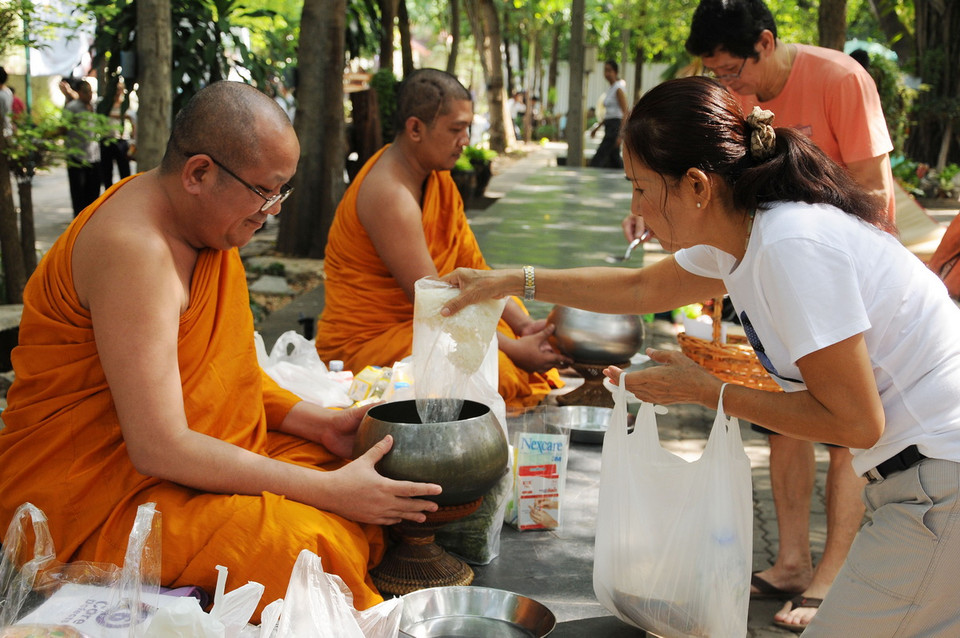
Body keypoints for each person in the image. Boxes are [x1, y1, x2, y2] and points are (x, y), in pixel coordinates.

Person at [441, 76, 960, 637]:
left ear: (695, 185)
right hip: (920, 479)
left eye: (641, 188)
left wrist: (708, 392)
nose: (635, 207)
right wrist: (513, 280)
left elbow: (856, 422)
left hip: (938, 480)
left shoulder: (790, 245)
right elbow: (639, 291)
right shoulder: (746, 235)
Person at [0, 81, 442, 621]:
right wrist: (329, 492)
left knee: (357, 471)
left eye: (283, 192)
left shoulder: (206, 229)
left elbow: (222, 376)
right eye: (265, 191)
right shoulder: (136, 253)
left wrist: (317, 426)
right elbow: (159, 447)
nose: (272, 211)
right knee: (308, 546)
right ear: (199, 173)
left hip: (175, 464)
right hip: (93, 502)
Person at [616, 1, 900, 630]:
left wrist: (714, 391)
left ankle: (830, 574)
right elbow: (701, 219)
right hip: (780, 279)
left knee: (845, 425)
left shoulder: (841, 82)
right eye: (713, 74)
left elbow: (873, 194)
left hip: (835, 292)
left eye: (731, 71)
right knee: (785, 420)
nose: (727, 85)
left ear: (765, 43)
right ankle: (793, 560)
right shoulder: (736, 110)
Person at [316, 68, 567, 410]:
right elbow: (436, 304)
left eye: (467, 127)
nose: (465, 140)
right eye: (455, 129)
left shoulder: (437, 180)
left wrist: (525, 326)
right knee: (498, 370)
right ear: (415, 128)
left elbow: (474, 271)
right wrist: (514, 349)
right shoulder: (390, 196)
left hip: (427, 321)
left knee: (508, 318)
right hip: (370, 342)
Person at [62, 79, 102, 217]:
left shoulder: (95, 107)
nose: (89, 95)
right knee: (78, 194)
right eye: (86, 92)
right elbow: (63, 128)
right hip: (77, 156)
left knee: (93, 194)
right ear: (79, 93)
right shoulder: (72, 107)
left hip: (94, 156)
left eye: (91, 92)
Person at [589, 60, 628, 169]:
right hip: (609, 125)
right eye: (605, 70)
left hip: (615, 127)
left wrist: (621, 134)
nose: (607, 74)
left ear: (615, 72)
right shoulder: (610, 89)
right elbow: (609, 114)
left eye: (609, 71)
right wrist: (597, 127)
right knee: (614, 158)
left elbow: (625, 112)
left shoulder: (618, 89)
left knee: (598, 158)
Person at [100, 79, 137, 189]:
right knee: (107, 171)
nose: (118, 92)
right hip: (106, 140)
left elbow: (133, 121)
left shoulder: (126, 104)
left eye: (120, 89)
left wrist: (133, 138)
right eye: (116, 89)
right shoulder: (104, 103)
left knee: (124, 170)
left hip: (122, 140)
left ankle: (125, 192)